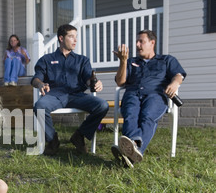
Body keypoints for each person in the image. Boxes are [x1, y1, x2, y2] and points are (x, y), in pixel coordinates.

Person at [111, 29, 186, 167]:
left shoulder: (166, 60)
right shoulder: (131, 61)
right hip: (132, 94)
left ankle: (129, 150)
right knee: (130, 114)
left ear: (152, 43)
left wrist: (175, 83)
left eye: (141, 41)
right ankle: (134, 150)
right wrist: (123, 61)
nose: (138, 45)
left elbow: (178, 75)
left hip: (156, 95)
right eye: (137, 42)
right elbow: (120, 82)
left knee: (147, 116)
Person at [31, 24, 109, 155]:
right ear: (61, 38)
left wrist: (95, 83)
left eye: (76, 37)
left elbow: (88, 79)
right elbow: (36, 79)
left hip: (77, 95)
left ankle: (79, 136)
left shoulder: (82, 60)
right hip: (54, 95)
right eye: (71, 36)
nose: (75, 40)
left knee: (102, 105)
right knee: (39, 106)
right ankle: (52, 140)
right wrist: (40, 84)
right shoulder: (46, 59)